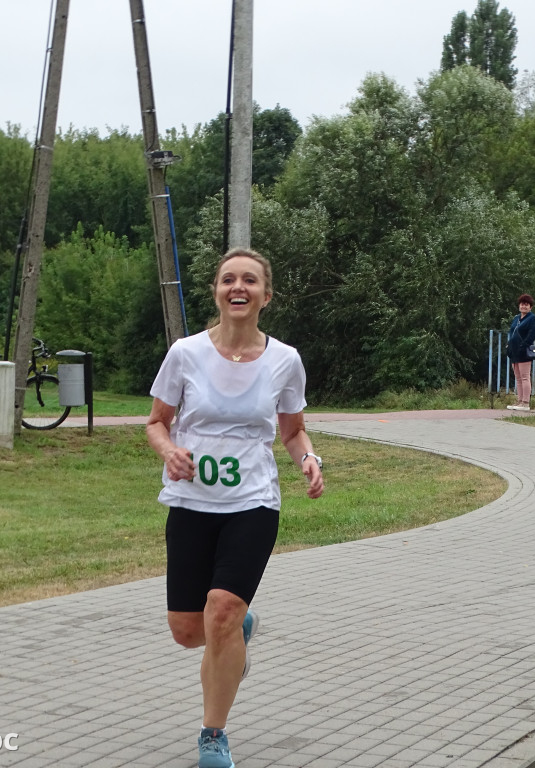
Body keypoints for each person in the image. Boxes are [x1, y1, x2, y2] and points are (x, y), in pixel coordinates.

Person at [146, 247, 325, 768]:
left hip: (252, 503)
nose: (238, 287)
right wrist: (169, 450)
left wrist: (308, 458)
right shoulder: (185, 353)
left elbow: (291, 430)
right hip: (191, 502)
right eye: (229, 280)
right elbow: (156, 420)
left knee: (221, 611)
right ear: (217, 292)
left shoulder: (284, 360)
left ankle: (213, 735)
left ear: (266, 296)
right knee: (187, 631)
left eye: (250, 280)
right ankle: (237, 633)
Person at [506, 293, 535, 411]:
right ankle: (519, 400)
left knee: (525, 377)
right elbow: (512, 332)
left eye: (526, 305)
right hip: (514, 351)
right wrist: (509, 345)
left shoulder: (532, 319)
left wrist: (523, 346)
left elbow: (532, 334)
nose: (523, 306)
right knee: (518, 377)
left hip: (524, 351)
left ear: (530, 307)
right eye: (522, 304)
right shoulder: (516, 318)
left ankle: (525, 402)